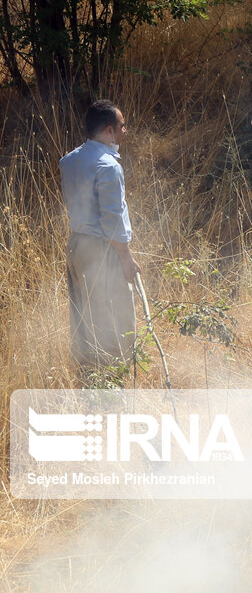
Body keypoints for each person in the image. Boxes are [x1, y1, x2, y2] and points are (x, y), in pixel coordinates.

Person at [59, 100, 139, 385]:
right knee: (116, 317)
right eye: (122, 126)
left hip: (76, 245)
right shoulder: (109, 167)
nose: (125, 131)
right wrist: (126, 259)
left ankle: (86, 376)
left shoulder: (68, 160)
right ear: (109, 130)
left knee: (83, 314)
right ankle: (112, 384)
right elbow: (113, 219)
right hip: (101, 251)